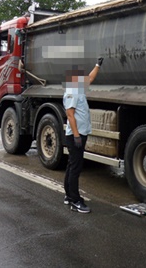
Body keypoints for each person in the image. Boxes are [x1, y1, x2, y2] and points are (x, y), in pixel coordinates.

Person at [63, 57, 103, 213]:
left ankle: (68, 195)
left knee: (72, 165)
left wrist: (97, 65)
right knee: (76, 168)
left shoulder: (78, 88)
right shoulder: (72, 92)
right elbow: (70, 115)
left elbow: (91, 78)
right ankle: (75, 200)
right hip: (75, 136)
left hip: (77, 134)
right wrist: (77, 135)